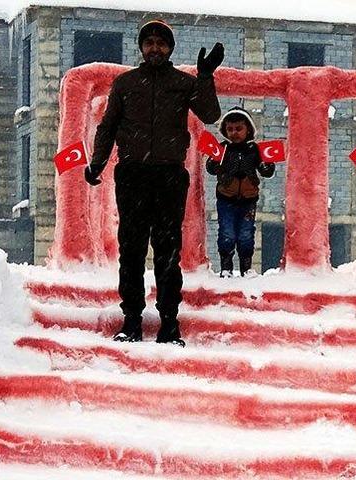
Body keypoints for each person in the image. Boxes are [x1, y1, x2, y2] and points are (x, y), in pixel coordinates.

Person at [84, 19, 223, 345]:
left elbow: (210, 114)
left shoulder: (182, 83)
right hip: (132, 175)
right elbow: (107, 127)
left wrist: (205, 77)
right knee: (131, 251)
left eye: (162, 43)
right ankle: (131, 320)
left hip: (169, 177)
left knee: (168, 252)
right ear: (142, 47)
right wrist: (97, 161)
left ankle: (169, 324)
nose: (155, 48)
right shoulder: (125, 84)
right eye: (150, 43)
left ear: (170, 48)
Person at [205, 107, 275, 277]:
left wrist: (267, 166)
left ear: (248, 129)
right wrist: (215, 163)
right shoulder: (222, 149)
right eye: (230, 129)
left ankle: (246, 268)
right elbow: (211, 168)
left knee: (246, 235)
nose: (234, 133)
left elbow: (267, 171)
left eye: (238, 129)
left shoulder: (255, 150)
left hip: (248, 201)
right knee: (226, 234)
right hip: (225, 199)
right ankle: (226, 268)